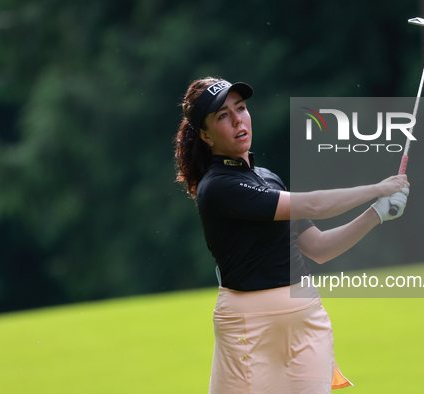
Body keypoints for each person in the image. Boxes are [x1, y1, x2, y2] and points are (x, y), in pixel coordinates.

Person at [174, 77, 409, 393]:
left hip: (305, 319)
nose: (237, 120)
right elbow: (313, 203)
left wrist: (377, 213)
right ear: (205, 134)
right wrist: (378, 188)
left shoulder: (268, 178)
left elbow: (319, 247)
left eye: (240, 109)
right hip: (248, 326)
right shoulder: (217, 187)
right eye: (222, 116)